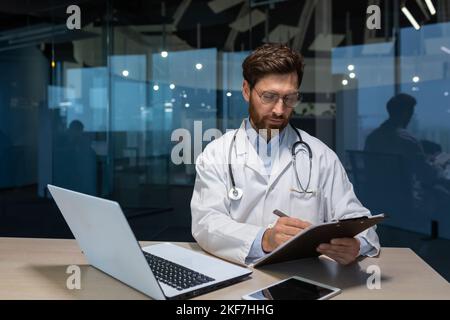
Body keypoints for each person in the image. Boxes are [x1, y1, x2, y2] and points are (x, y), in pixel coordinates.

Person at [190, 44, 380, 266]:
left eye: (289, 98)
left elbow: (359, 221)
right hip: (236, 274)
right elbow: (206, 222)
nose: (279, 110)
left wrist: (357, 245)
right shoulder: (216, 153)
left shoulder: (320, 155)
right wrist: (264, 239)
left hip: (305, 278)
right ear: (246, 90)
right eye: (269, 96)